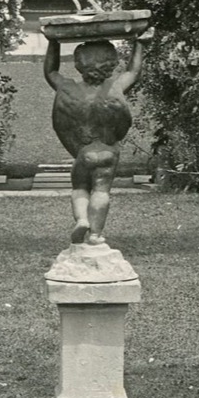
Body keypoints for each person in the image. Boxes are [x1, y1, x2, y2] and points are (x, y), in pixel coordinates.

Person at [44, 32, 150, 245]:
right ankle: (95, 234)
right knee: (101, 191)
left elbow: (50, 72)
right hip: (109, 152)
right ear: (111, 64)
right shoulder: (115, 89)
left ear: (79, 64)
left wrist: (54, 42)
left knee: (80, 188)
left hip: (85, 152)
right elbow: (133, 71)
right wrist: (139, 43)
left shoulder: (68, 89)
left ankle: (82, 219)